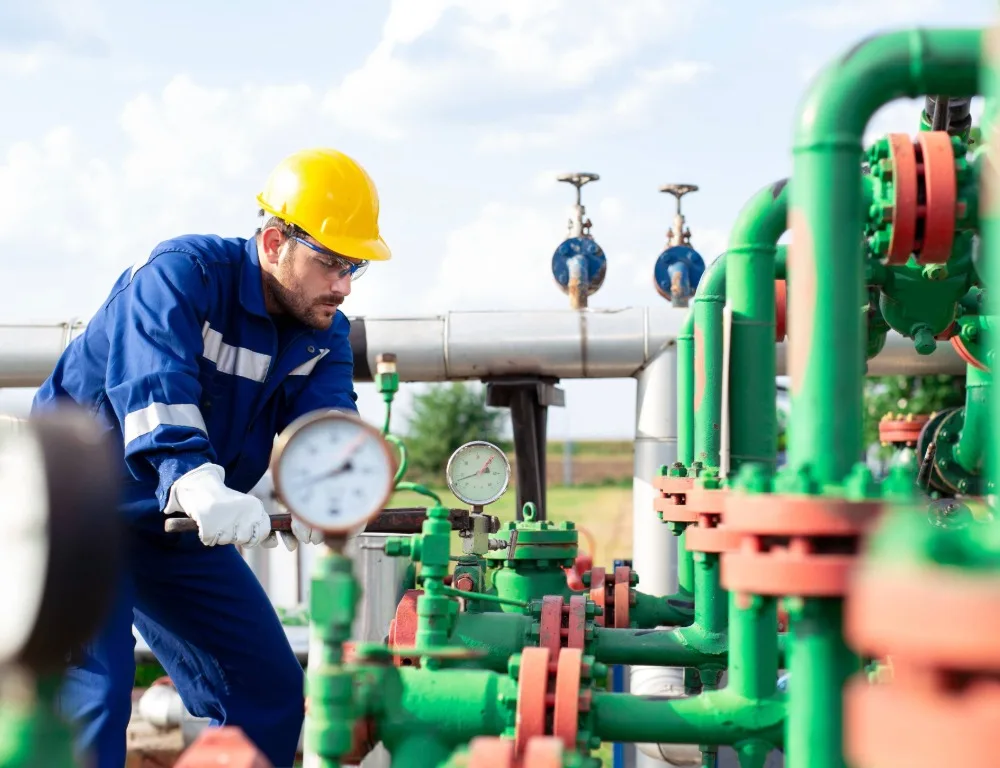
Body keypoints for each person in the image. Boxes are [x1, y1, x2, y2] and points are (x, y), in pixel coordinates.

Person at [31, 147, 391, 768]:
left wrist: (323, 492)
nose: (343, 284)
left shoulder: (324, 333)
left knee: (269, 694)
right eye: (330, 261)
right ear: (276, 241)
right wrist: (193, 478)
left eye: (355, 266)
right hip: (79, 512)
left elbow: (326, 426)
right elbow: (153, 386)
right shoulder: (183, 274)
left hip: (171, 522)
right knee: (94, 700)